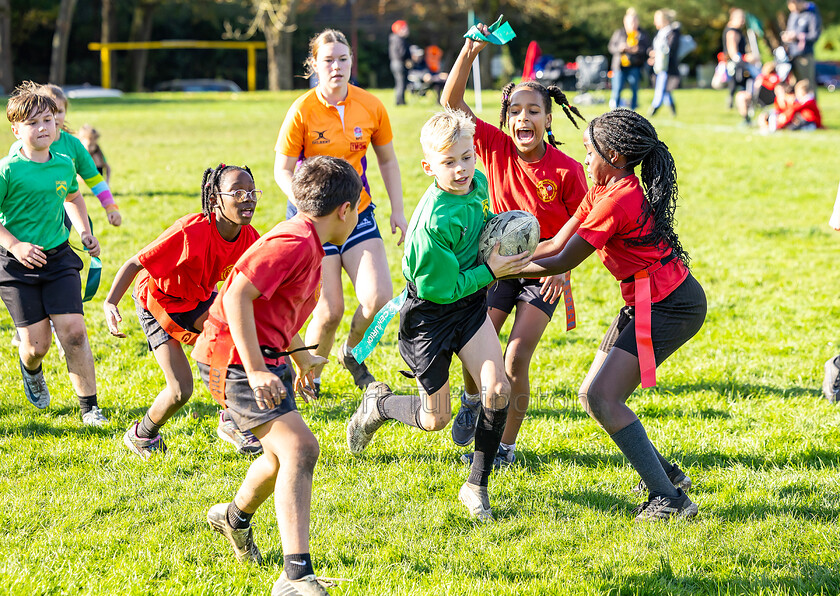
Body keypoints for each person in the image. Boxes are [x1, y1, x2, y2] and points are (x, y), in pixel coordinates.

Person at [518, 109, 706, 521]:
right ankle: (666, 475)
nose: (584, 159)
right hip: (646, 300)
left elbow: (563, 260)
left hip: (671, 304)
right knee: (592, 396)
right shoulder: (603, 187)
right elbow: (554, 245)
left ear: (616, 155)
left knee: (605, 396)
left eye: (589, 152)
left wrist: (495, 269)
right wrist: (502, 256)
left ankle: (670, 502)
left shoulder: (618, 199)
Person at [345, 109, 532, 520]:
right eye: (449, 162)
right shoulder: (432, 222)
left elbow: (481, 227)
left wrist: (504, 233)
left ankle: (475, 486)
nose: (462, 169)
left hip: (467, 307)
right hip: (429, 315)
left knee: (498, 390)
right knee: (435, 419)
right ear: (429, 166)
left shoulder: (478, 184)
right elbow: (440, 288)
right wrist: (491, 271)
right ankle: (378, 405)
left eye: (467, 157)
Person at [194, 155, 362, 596]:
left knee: (279, 456)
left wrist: (302, 355)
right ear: (344, 210)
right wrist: (254, 370)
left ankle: (233, 518)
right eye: (360, 206)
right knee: (301, 448)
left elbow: (273, 313)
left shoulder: (310, 242)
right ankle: (295, 576)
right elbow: (236, 298)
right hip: (233, 360)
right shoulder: (292, 241)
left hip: (266, 357)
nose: (359, 214)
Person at [441, 26, 588, 466]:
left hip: (542, 276)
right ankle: (471, 401)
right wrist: (468, 51)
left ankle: (504, 446)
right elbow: (450, 103)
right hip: (495, 268)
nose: (524, 118)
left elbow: (585, 227)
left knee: (515, 357)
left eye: (534, 111)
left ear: (547, 119)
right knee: (473, 349)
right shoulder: (494, 147)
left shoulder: (566, 170)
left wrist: (563, 267)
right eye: (516, 111)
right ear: (506, 120)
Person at [274, 29, 407, 397]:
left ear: (351, 62)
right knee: (329, 310)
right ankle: (310, 378)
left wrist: (398, 210)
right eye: (328, 60)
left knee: (380, 300)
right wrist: (306, 203)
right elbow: (282, 169)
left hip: (357, 213)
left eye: (343, 59)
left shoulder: (371, 105)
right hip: (314, 221)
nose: (337, 66)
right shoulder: (302, 109)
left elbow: (388, 160)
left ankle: (352, 353)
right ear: (314, 65)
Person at [104, 163, 263, 459]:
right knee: (181, 390)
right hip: (159, 300)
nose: (248, 198)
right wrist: (110, 302)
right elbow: (135, 263)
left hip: (198, 298)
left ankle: (230, 418)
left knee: (233, 338)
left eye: (252, 192)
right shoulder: (190, 231)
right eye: (238, 192)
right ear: (215, 198)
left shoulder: (249, 237)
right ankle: (146, 435)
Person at [0, 82, 106, 425]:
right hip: (16, 265)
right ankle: (31, 369)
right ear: (16, 129)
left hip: (58, 257)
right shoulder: (7, 170)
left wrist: (84, 231)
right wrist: (15, 244)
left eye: (47, 120)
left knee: (74, 332)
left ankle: (90, 408)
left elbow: (73, 197)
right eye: (33, 123)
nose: (43, 128)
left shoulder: (63, 162)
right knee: (36, 346)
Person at [9, 83, 121, 227]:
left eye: (59, 111)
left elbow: (94, 178)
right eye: (47, 113)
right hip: (29, 215)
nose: (54, 117)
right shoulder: (21, 149)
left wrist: (110, 207)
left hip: (63, 209)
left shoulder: (74, 145)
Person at [608, 8, 652, 110]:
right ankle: (614, 111)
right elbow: (611, 47)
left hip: (635, 66)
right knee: (617, 89)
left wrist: (636, 50)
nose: (632, 24)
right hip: (619, 66)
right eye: (630, 22)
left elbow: (647, 49)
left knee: (634, 90)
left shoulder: (642, 34)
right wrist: (620, 48)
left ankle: (633, 111)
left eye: (634, 21)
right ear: (625, 22)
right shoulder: (619, 33)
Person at [723, 8, 760, 123]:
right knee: (745, 92)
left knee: (743, 91)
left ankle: (746, 115)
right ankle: (746, 117)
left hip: (740, 66)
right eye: (741, 19)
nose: (743, 22)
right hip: (739, 68)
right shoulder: (732, 32)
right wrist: (747, 58)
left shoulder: (736, 31)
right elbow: (734, 53)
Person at [783, 0, 822, 95]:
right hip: (792, 54)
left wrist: (798, 36)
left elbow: (814, 35)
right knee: (794, 83)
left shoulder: (811, 14)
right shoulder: (793, 15)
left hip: (805, 54)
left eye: (796, 5)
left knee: (807, 83)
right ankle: (797, 108)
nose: (794, 9)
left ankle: (811, 107)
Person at [648, 9, 682, 117]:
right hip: (659, 66)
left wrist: (657, 55)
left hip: (667, 67)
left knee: (661, 88)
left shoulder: (672, 32)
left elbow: (670, 49)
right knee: (666, 90)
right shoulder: (660, 33)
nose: (655, 23)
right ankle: (673, 111)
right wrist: (652, 55)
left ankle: (653, 109)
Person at [389, 20, 411, 106]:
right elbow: (402, 53)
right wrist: (409, 58)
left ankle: (399, 100)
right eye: (405, 28)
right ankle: (400, 101)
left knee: (399, 82)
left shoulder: (394, 38)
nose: (407, 30)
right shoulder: (399, 39)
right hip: (399, 63)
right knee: (401, 83)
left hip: (394, 63)